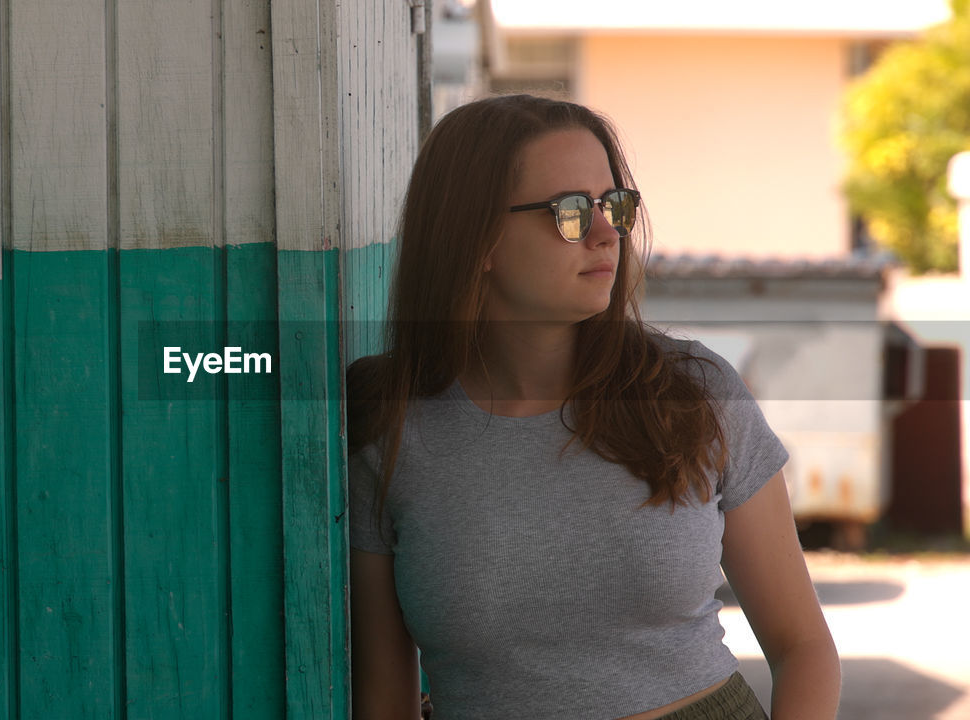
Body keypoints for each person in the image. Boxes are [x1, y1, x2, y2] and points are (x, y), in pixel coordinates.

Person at [346, 94, 841, 719]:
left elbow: (803, 647)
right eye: (570, 212)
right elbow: (383, 699)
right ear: (475, 238)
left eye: (615, 205)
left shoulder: (693, 393)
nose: (608, 232)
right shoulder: (389, 431)